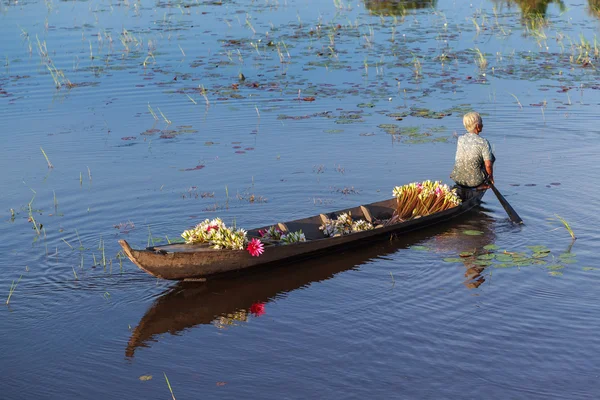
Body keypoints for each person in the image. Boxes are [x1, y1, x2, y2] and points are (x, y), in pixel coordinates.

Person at [450, 112, 495, 190]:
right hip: (475, 181)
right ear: (477, 126)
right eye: (482, 123)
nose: (483, 125)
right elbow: (488, 165)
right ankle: (479, 187)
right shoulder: (483, 142)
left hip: (457, 178)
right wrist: (490, 177)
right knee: (491, 158)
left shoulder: (460, 139)